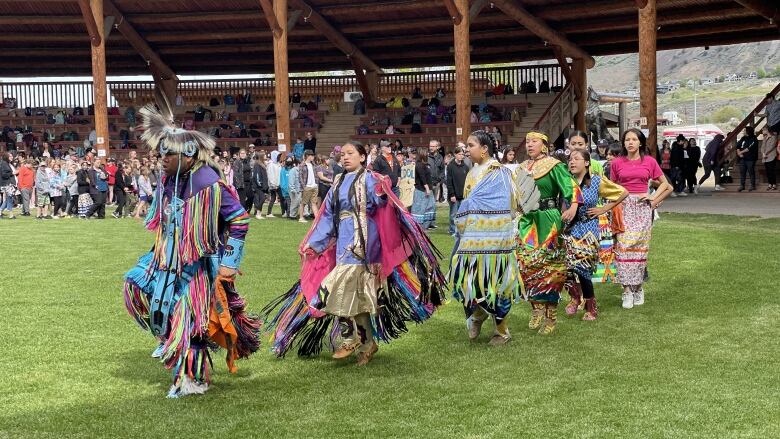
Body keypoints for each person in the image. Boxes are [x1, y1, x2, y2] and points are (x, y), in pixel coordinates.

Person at [261, 141, 445, 364]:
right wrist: (315, 243)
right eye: (343, 154)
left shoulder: (369, 179)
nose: (346, 157)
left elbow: (380, 202)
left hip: (365, 241)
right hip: (343, 241)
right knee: (355, 298)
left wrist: (382, 191)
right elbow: (328, 216)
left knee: (332, 289)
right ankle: (367, 344)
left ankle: (350, 338)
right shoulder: (338, 182)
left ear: (362, 157)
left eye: (351, 153)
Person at [123, 105, 259, 398]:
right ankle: (167, 337)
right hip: (166, 256)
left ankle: (193, 379)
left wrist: (229, 264)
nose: (162, 159)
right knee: (135, 286)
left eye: (168, 154)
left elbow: (239, 219)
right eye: (160, 154)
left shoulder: (206, 181)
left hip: (197, 262)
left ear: (187, 155)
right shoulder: (172, 179)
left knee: (192, 320)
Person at [449, 131, 533, 345]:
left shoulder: (501, 173)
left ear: (484, 148)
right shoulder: (471, 172)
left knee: (498, 284)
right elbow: (468, 202)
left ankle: (501, 331)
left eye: (471, 145)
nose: (467, 149)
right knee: (467, 280)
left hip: (496, 237)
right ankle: (478, 314)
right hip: (472, 236)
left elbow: (510, 204)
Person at [517, 131, 581, 335]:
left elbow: (571, 187)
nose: (529, 145)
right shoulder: (522, 168)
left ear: (544, 145)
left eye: (534, 141)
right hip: (528, 220)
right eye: (527, 141)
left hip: (549, 218)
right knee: (527, 263)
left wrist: (572, 207)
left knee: (550, 265)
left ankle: (550, 316)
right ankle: (535, 308)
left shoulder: (554, 165)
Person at [609, 128, 673, 309]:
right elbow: (613, 188)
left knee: (639, 251)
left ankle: (638, 288)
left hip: (643, 209)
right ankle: (626, 291)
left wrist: (653, 199)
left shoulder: (650, 162)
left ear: (640, 142)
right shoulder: (617, 163)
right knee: (622, 249)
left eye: (634, 139)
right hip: (623, 207)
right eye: (627, 139)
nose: (630, 142)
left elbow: (666, 186)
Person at [562, 150, 628, 321]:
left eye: (577, 159)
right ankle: (575, 298)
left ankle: (591, 307)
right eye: (570, 159)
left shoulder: (596, 181)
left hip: (588, 228)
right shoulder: (566, 181)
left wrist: (604, 209)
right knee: (566, 267)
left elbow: (623, 193)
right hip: (569, 228)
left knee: (582, 267)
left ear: (586, 163)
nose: (572, 162)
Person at [445, 146, 470, 236]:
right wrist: (452, 194)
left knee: (462, 214)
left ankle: (460, 230)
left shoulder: (466, 167)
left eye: (462, 154)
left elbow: (468, 182)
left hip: (463, 195)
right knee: (453, 214)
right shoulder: (450, 167)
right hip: (454, 195)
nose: (461, 156)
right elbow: (449, 181)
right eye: (459, 154)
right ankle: (452, 230)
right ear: (455, 155)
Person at [412, 147, 436, 230]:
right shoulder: (419, 165)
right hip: (421, 190)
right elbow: (422, 178)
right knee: (420, 208)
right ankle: (418, 226)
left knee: (430, 206)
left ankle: (427, 224)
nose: (428, 154)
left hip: (428, 189)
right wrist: (427, 188)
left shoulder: (425, 164)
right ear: (423, 154)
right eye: (427, 153)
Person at [735, 126, 759, 192]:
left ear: (748, 131)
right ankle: (742, 185)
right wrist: (738, 152)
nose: (743, 131)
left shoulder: (754, 139)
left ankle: (752, 185)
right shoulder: (743, 138)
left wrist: (741, 152)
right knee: (742, 172)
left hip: (750, 158)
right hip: (742, 158)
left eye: (745, 130)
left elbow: (749, 148)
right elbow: (738, 146)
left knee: (751, 172)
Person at [298, 150, 319, 223]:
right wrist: (304, 186)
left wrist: (316, 184)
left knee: (314, 203)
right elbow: (300, 177)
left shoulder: (313, 164)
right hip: (307, 187)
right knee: (303, 203)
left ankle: (317, 219)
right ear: (307, 156)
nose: (313, 157)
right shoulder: (302, 165)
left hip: (314, 186)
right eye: (312, 155)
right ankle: (301, 217)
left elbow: (316, 174)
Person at [251, 151, 269, 220]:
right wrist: (260, 184)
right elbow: (256, 176)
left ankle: (259, 213)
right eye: (264, 155)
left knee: (262, 198)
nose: (266, 156)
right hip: (258, 186)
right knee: (262, 198)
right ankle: (257, 211)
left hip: (262, 185)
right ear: (261, 156)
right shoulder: (257, 164)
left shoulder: (262, 164)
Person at [761, 126, 778, 190]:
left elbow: (772, 146)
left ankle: (774, 184)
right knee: (767, 171)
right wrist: (763, 153)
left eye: (763, 130)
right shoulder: (764, 137)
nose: (762, 131)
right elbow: (762, 147)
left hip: (771, 156)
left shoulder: (773, 137)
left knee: (772, 171)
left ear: (767, 130)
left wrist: (766, 153)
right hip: (765, 157)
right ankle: (770, 184)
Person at [0, 153, 16, 219]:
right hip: (6, 184)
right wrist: (12, 173)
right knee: (9, 199)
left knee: (8, 199)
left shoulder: (6, 163)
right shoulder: (4, 164)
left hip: (8, 183)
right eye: (10, 156)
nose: (12, 157)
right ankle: (10, 214)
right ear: (6, 156)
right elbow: (4, 174)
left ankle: (1, 211)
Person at [265, 152, 281, 217]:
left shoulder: (277, 164)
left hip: (278, 184)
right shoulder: (271, 164)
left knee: (274, 198)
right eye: (278, 156)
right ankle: (269, 213)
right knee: (276, 198)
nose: (279, 157)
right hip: (274, 185)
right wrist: (274, 184)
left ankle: (269, 212)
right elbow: (271, 175)